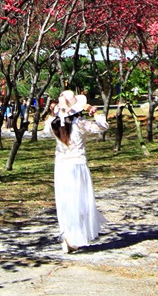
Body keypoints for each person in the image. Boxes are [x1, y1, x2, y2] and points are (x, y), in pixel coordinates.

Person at [46, 90, 109, 253]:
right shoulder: (80, 123)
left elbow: (47, 127)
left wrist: (55, 112)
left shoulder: (53, 124)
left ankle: (67, 234)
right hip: (78, 165)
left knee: (65, 202)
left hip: (61, 167)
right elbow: (103, 127)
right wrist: (94, 112)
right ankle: (75, 237)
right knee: (80, 201)